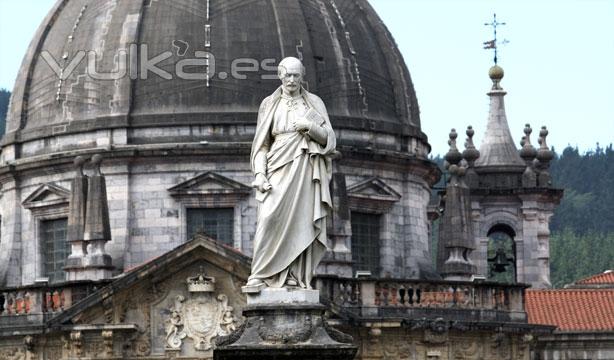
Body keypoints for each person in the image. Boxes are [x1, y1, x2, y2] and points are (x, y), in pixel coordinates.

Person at [245, 57, 336, 290]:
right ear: (279, 75)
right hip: (277, 165)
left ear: (302, 76)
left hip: (305, 168)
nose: (292, 80)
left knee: (302, 222)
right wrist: (259, 175)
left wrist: (310, 128)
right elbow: (261, 146)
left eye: (296, 75)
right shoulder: (269, 104)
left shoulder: (314, 102)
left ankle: (294, 276)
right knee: (267, 218)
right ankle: (261, 274)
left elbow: (330, 140)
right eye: (288, 75)